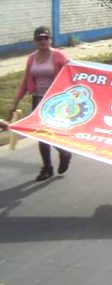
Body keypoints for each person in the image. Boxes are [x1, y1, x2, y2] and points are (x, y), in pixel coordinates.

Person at [10, 26, 72, 182]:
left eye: (45, 38)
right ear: (35, 41)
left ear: (50, 39)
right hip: (38, 99)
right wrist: (15, 102)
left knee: (50, 132)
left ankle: (63, 152)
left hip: (56, 101)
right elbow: (26, 81)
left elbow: (72, 74)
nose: (43, 41)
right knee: (41, 134)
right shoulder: (32, 58)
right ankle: (47, 168)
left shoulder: (58, 55)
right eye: (39, 39)